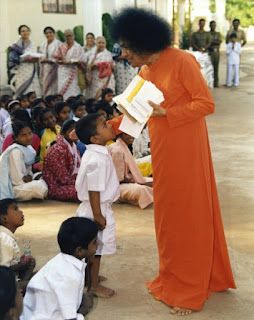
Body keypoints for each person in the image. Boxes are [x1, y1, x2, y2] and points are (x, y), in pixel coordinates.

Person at [110, 7, 236, 316]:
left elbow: (206, 103)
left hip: (188, 150)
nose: (123, 53)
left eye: (127, 47)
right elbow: (133, 115)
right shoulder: (145, 71)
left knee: (188, 216)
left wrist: (170, 113)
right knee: (167, 218)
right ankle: (173, 277)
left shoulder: (181, 61)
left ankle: (190, 288)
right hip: (163, 152)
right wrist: (101, 129)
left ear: (144, 42)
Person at [75, 114, 119, 297]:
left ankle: (89, 278)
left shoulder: (97, 152)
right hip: (96, 209)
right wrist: (98, 215)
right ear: (95, 138)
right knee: (95, 250)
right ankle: (93, 286)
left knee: (92, 249)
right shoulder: (97, 159)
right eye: (103, 125)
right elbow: (94, 190)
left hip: (95, 208)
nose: (109, 124)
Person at [20, 217, 98, 320]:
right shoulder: (70, 275)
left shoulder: (63, 260)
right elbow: (69, 317)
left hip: (35, 312)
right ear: (79, 250)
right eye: (94, 242)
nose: (98, 244)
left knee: (87, 299)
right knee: (86, 303)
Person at [0, 121, 48, 201]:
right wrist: (30, 180)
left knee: (45, 175)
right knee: (39, 186)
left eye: (30, 133)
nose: (29, 137)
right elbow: (16, 181)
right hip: (14, 188)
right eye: (23, 135)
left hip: (25, 181)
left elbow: (28, 172)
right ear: (16, 137)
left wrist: (32, 177)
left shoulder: (28, 148)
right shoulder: (15, 152)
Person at [109, 132, 153, 209]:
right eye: (126, 134)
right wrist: (141, 183)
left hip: (127, 180)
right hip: (114, 188)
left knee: (156, 181)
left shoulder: (124, 146)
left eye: (131, 132)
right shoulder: (117, 150)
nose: (130, 135)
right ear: (120, 135)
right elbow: (117, 180)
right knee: (141, 190)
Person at [43, 119, 81, 201]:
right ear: (63, 133)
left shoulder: (73, 145)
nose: (75, 134)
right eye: (71, 131)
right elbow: (62, 178)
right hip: (56, 186)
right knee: (82, 191)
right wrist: (80, 183)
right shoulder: (57, 149)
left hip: (71, 182)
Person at [0, 199, 36, 283]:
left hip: (11, 279)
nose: (21, 212)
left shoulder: (6, 236)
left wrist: (20, 262)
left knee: (33, 265)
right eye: (15, 209)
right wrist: (22, 264)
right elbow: (3, 272)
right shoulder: (4, 238)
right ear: (3, 218)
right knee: (36, 283)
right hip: (6, 286)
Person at [9, 25, 41, 99]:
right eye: (23, 31)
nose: (25, 33)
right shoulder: (16, 45)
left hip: (31, 69)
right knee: (22, 88)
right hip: (21, 70)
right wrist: (24, 60)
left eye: (27, 31)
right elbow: (12, 58)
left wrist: (36, 58)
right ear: (20, 33)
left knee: (33, 88)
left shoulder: (33, 44)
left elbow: (35, 55)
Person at [54, 29, 85, 100]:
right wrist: (61, 61)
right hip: (62, 72)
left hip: (73, 73)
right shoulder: (61, 46)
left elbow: (82, 60)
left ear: (74, 36)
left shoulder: (78, 47)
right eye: (66, 36)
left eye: (70, 36)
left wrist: (75, 62)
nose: (68, 38)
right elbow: (56, 58)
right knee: (62, 91)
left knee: (74, 91)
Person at [39, 26, 61, 97]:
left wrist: (50, 60)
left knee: (55, 89)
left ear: (54, 34)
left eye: (50, 32)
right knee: (46, 89)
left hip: (55, 70)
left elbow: (60, 57)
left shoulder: (58, 44)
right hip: (45, 69)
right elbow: (40, 55)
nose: (48, 34)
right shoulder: (43, 44)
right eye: (46, 33)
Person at [209, 21, 221, 88]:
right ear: (209, 26)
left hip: (216, 52)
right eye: (212, 25)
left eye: (214, 25)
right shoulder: (208, 34)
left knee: (216, 68)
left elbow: (219, 42)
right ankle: (210, 83)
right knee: (209, 68)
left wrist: (212, 42)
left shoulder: (218, 34)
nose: (213, 26)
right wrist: (213, 42)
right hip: (210, 52)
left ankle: (216, 83)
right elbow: (207, 42)